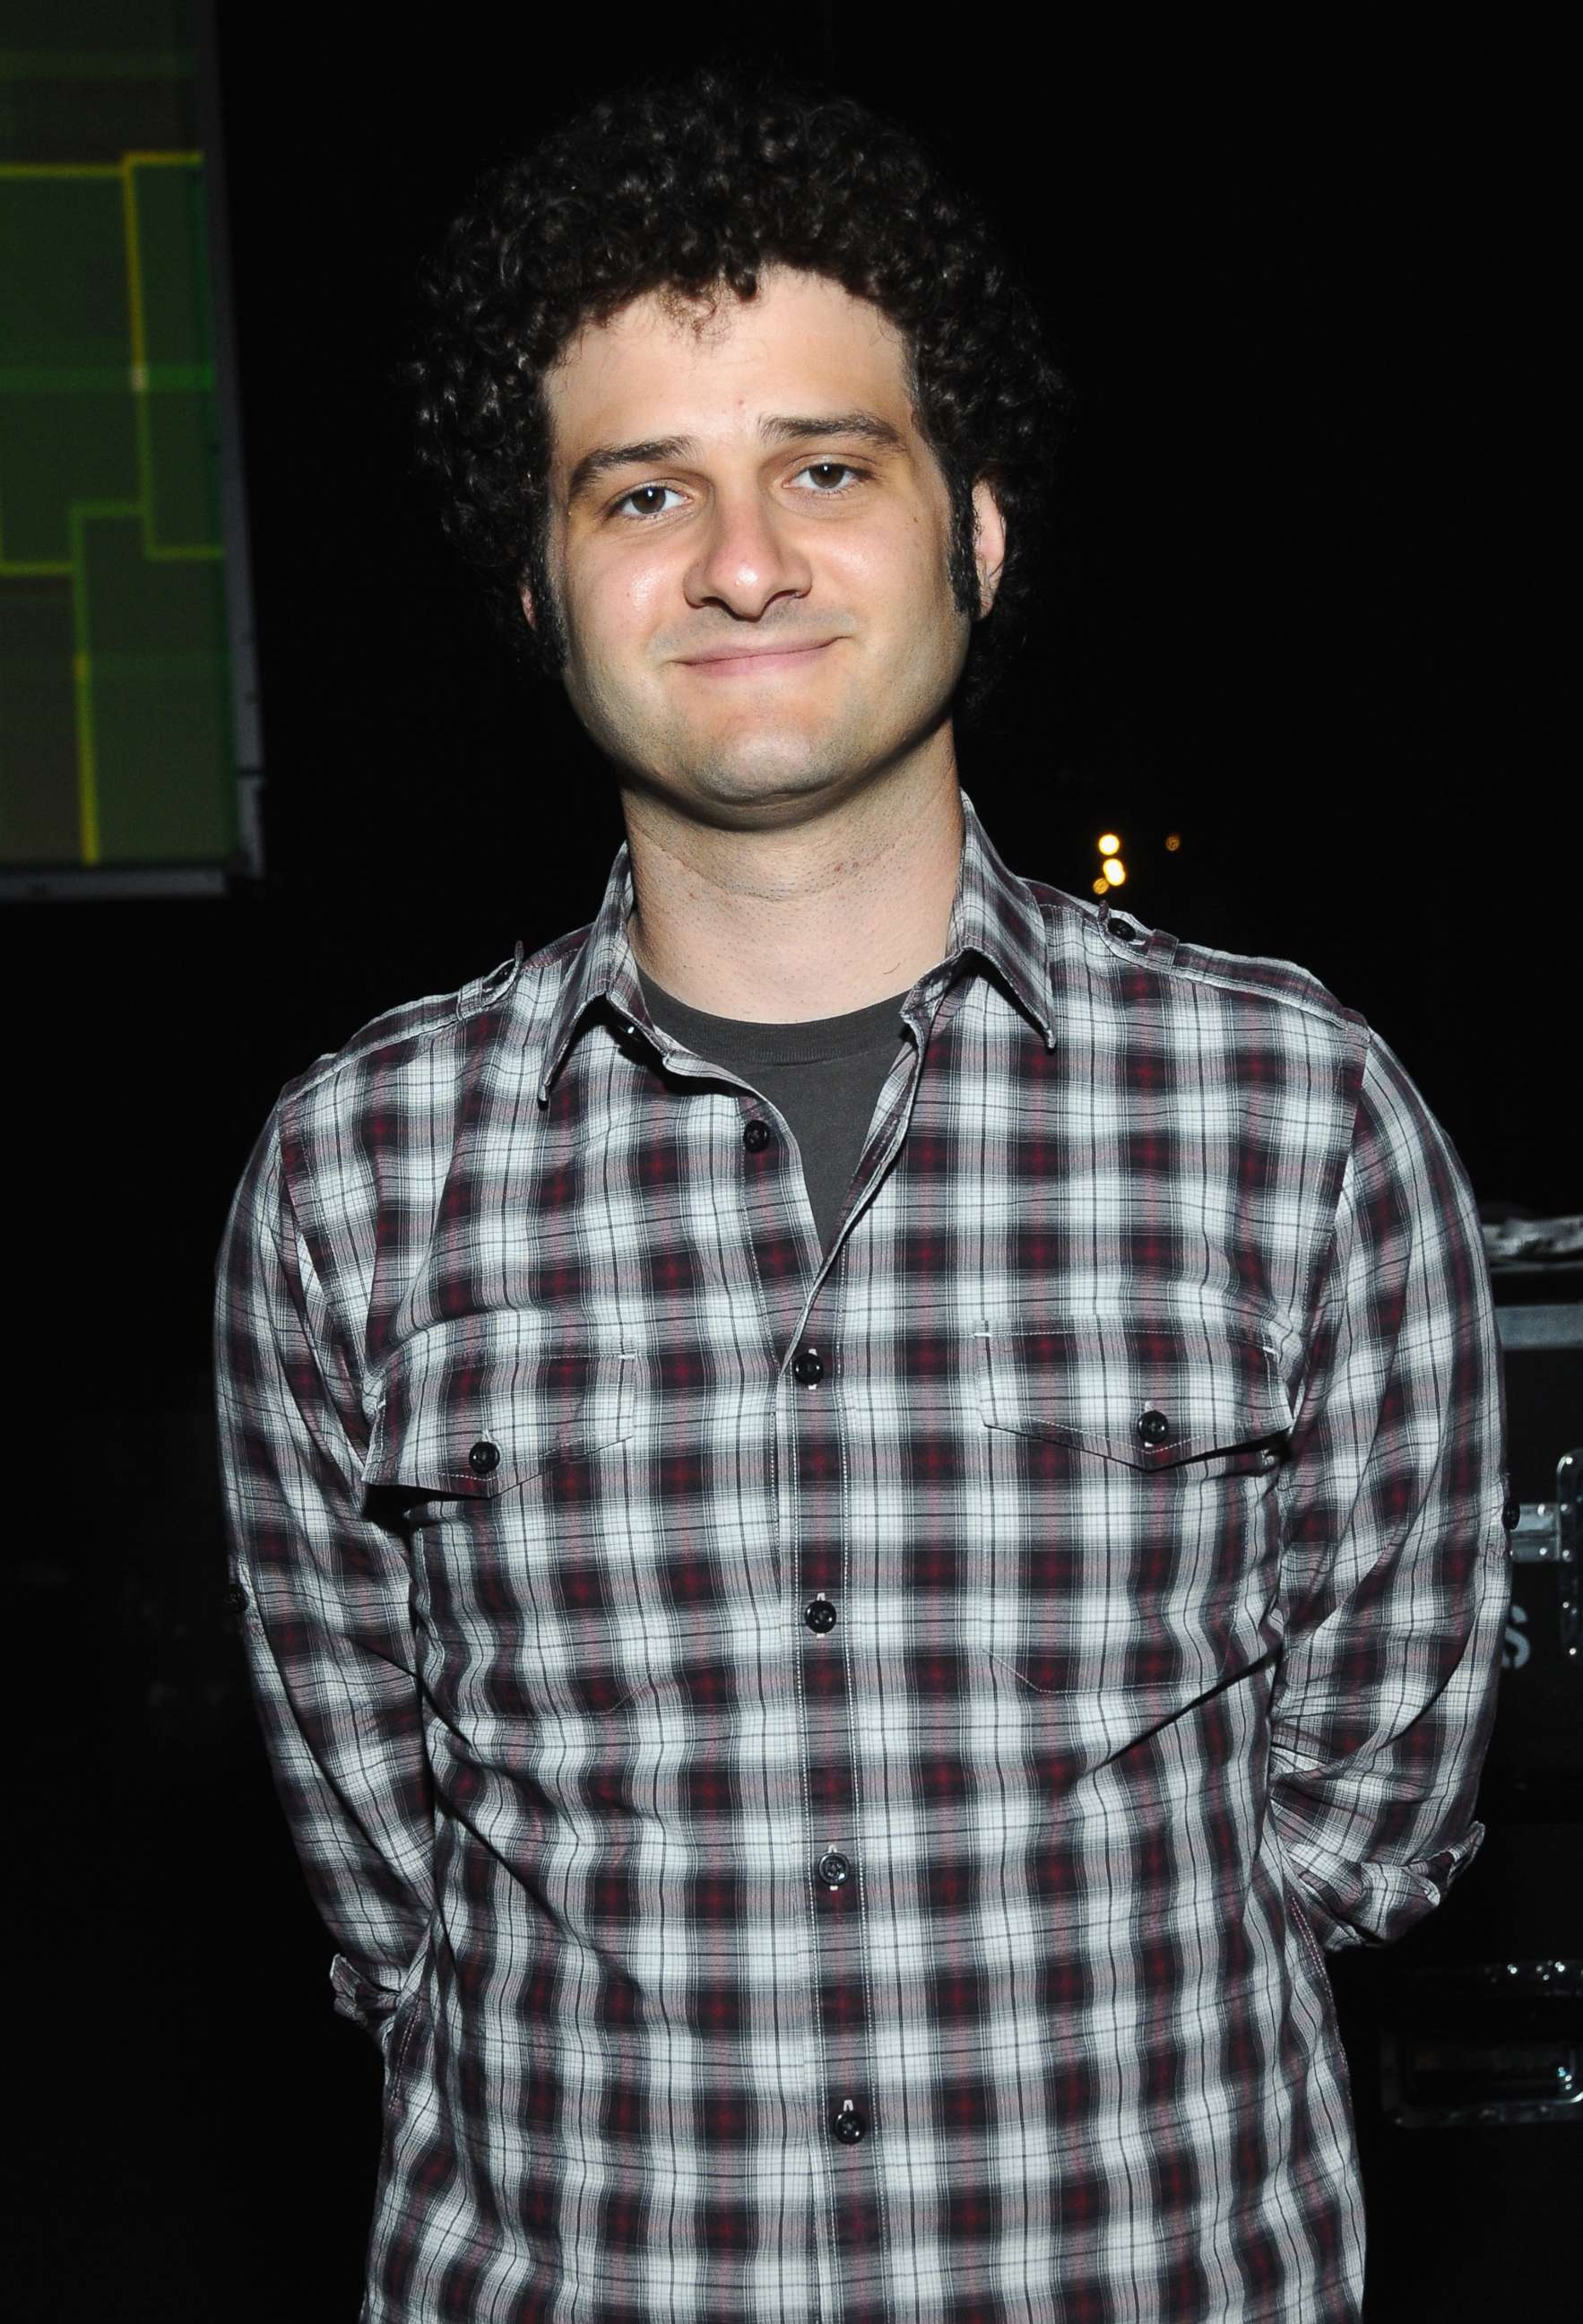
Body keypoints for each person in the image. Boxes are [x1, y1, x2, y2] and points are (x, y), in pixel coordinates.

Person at [213, 63, 1512, 2324]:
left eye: (827, 465)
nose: (741, 560)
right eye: (641, 494)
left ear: (975, 532)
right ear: (535, 584)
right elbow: (380, 1873)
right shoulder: (350, 1177)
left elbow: (1369, 1814)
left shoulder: (1298, 1115)